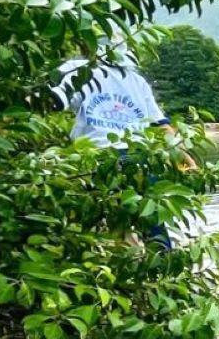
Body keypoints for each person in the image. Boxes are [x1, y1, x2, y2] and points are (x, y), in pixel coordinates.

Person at [53, 56, 186, 248]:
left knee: (106, 222)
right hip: (142, 157)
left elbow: (56, 100)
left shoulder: (79, 70)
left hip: (100, 157)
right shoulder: (137, 80)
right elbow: (161, 125)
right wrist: (183, 158)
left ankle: (121, 261)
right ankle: (162, 269)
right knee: (152, 223)